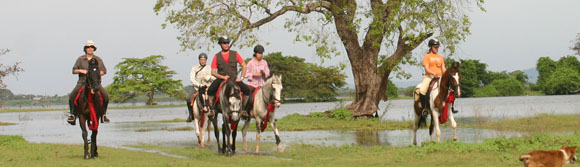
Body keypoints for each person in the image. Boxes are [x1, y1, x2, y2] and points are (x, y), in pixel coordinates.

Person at [68, 40, 110, 125]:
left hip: (95, 84)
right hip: (82, 82)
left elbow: (104, 71)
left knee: (105, 96)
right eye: (88, 47)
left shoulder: (98, 59)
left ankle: (103, 115)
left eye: (91, 47)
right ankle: (72, 114)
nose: (90, 49)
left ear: (94, 49)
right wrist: (82, 71)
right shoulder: (80, 59)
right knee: (72, 95)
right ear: (85, 49)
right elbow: (74, 70)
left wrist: (96, 74)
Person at [206, 36, 250, 107]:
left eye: (227, 43)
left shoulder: (235, 54)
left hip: (234, 79)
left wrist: (241, 78)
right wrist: (223, 77)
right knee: (210, 90)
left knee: (247, 90)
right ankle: (212, 109)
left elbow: (244, 65)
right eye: (224, 43)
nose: (226, 45)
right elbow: (213, 72)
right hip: (221, 79)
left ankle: (243, 109)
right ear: (220, 44)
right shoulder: (216, 56)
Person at [418, 39, 446, 112]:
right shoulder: (427, 56)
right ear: (430, 47)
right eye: (435, 47)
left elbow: (443, 68)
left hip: (440, 77)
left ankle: (450, 107)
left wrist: (447, 74)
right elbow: (427, 69)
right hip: (430, 77)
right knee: (422, 90)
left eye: (437, 47)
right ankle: (424, 108)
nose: (437, 49)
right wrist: (433, 73)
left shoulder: (440, 57)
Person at [186, 53, 215, 122]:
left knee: (215, 98)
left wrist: (210, 77)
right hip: (197, 88)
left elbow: (215, 77)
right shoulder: (194, 68)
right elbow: (192, 79)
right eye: (201, 60)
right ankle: (191, 115)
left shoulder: (210, 68)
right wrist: (198, 84)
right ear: (199, 60)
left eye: (204, 60)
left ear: (206, 60)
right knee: (188, 98)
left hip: (208, 88)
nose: (203, 61)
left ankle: (213, 112)